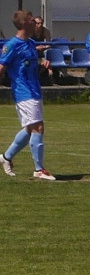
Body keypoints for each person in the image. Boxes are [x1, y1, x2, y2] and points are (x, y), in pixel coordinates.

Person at [0, 11, 56, 180]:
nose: (37, 23)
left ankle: (6, 157)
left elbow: (30, 67)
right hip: (22, 92)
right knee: (38, 127)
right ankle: (39, 169)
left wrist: (43, 65)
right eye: (33, 21)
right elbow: (2, 68)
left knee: (29, 128)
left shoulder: (31, 43)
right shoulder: (12, 45)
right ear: (24, 23)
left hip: (34, 90)